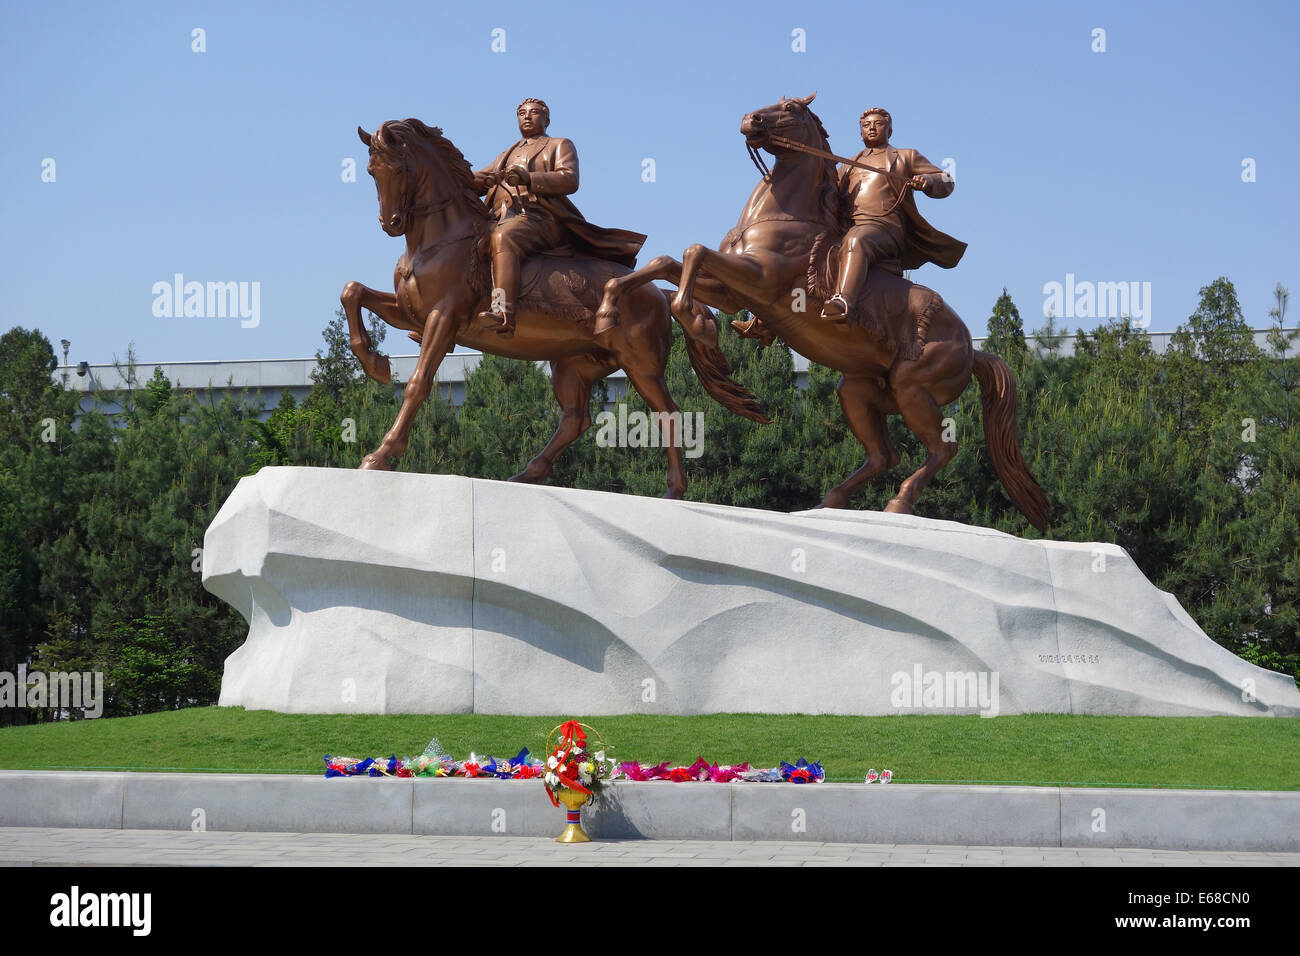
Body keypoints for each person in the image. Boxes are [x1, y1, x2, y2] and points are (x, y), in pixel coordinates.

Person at [472, 98, 646, 337]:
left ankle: (504, 311)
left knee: (505, 237)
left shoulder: (559, 145)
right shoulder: (505, 154)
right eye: (522, 113)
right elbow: (476, 179)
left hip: (541, 218)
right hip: (500, 217)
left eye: (534, 112)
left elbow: (569, 179)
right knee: (459, 240)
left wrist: (529, 178)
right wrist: (463, 176)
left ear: (546, 119)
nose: (527, 116)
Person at [820, 108, 966, 339]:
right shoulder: (848, 165)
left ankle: (844, 302)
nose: (871, 127)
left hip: (886, 229)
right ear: (860, 133)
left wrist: (926, 180)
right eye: (866, 125)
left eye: (878, 123)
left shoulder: (906, 156)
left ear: (889, 129)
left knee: (857, 239)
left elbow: (946, 179)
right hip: (849, 228)